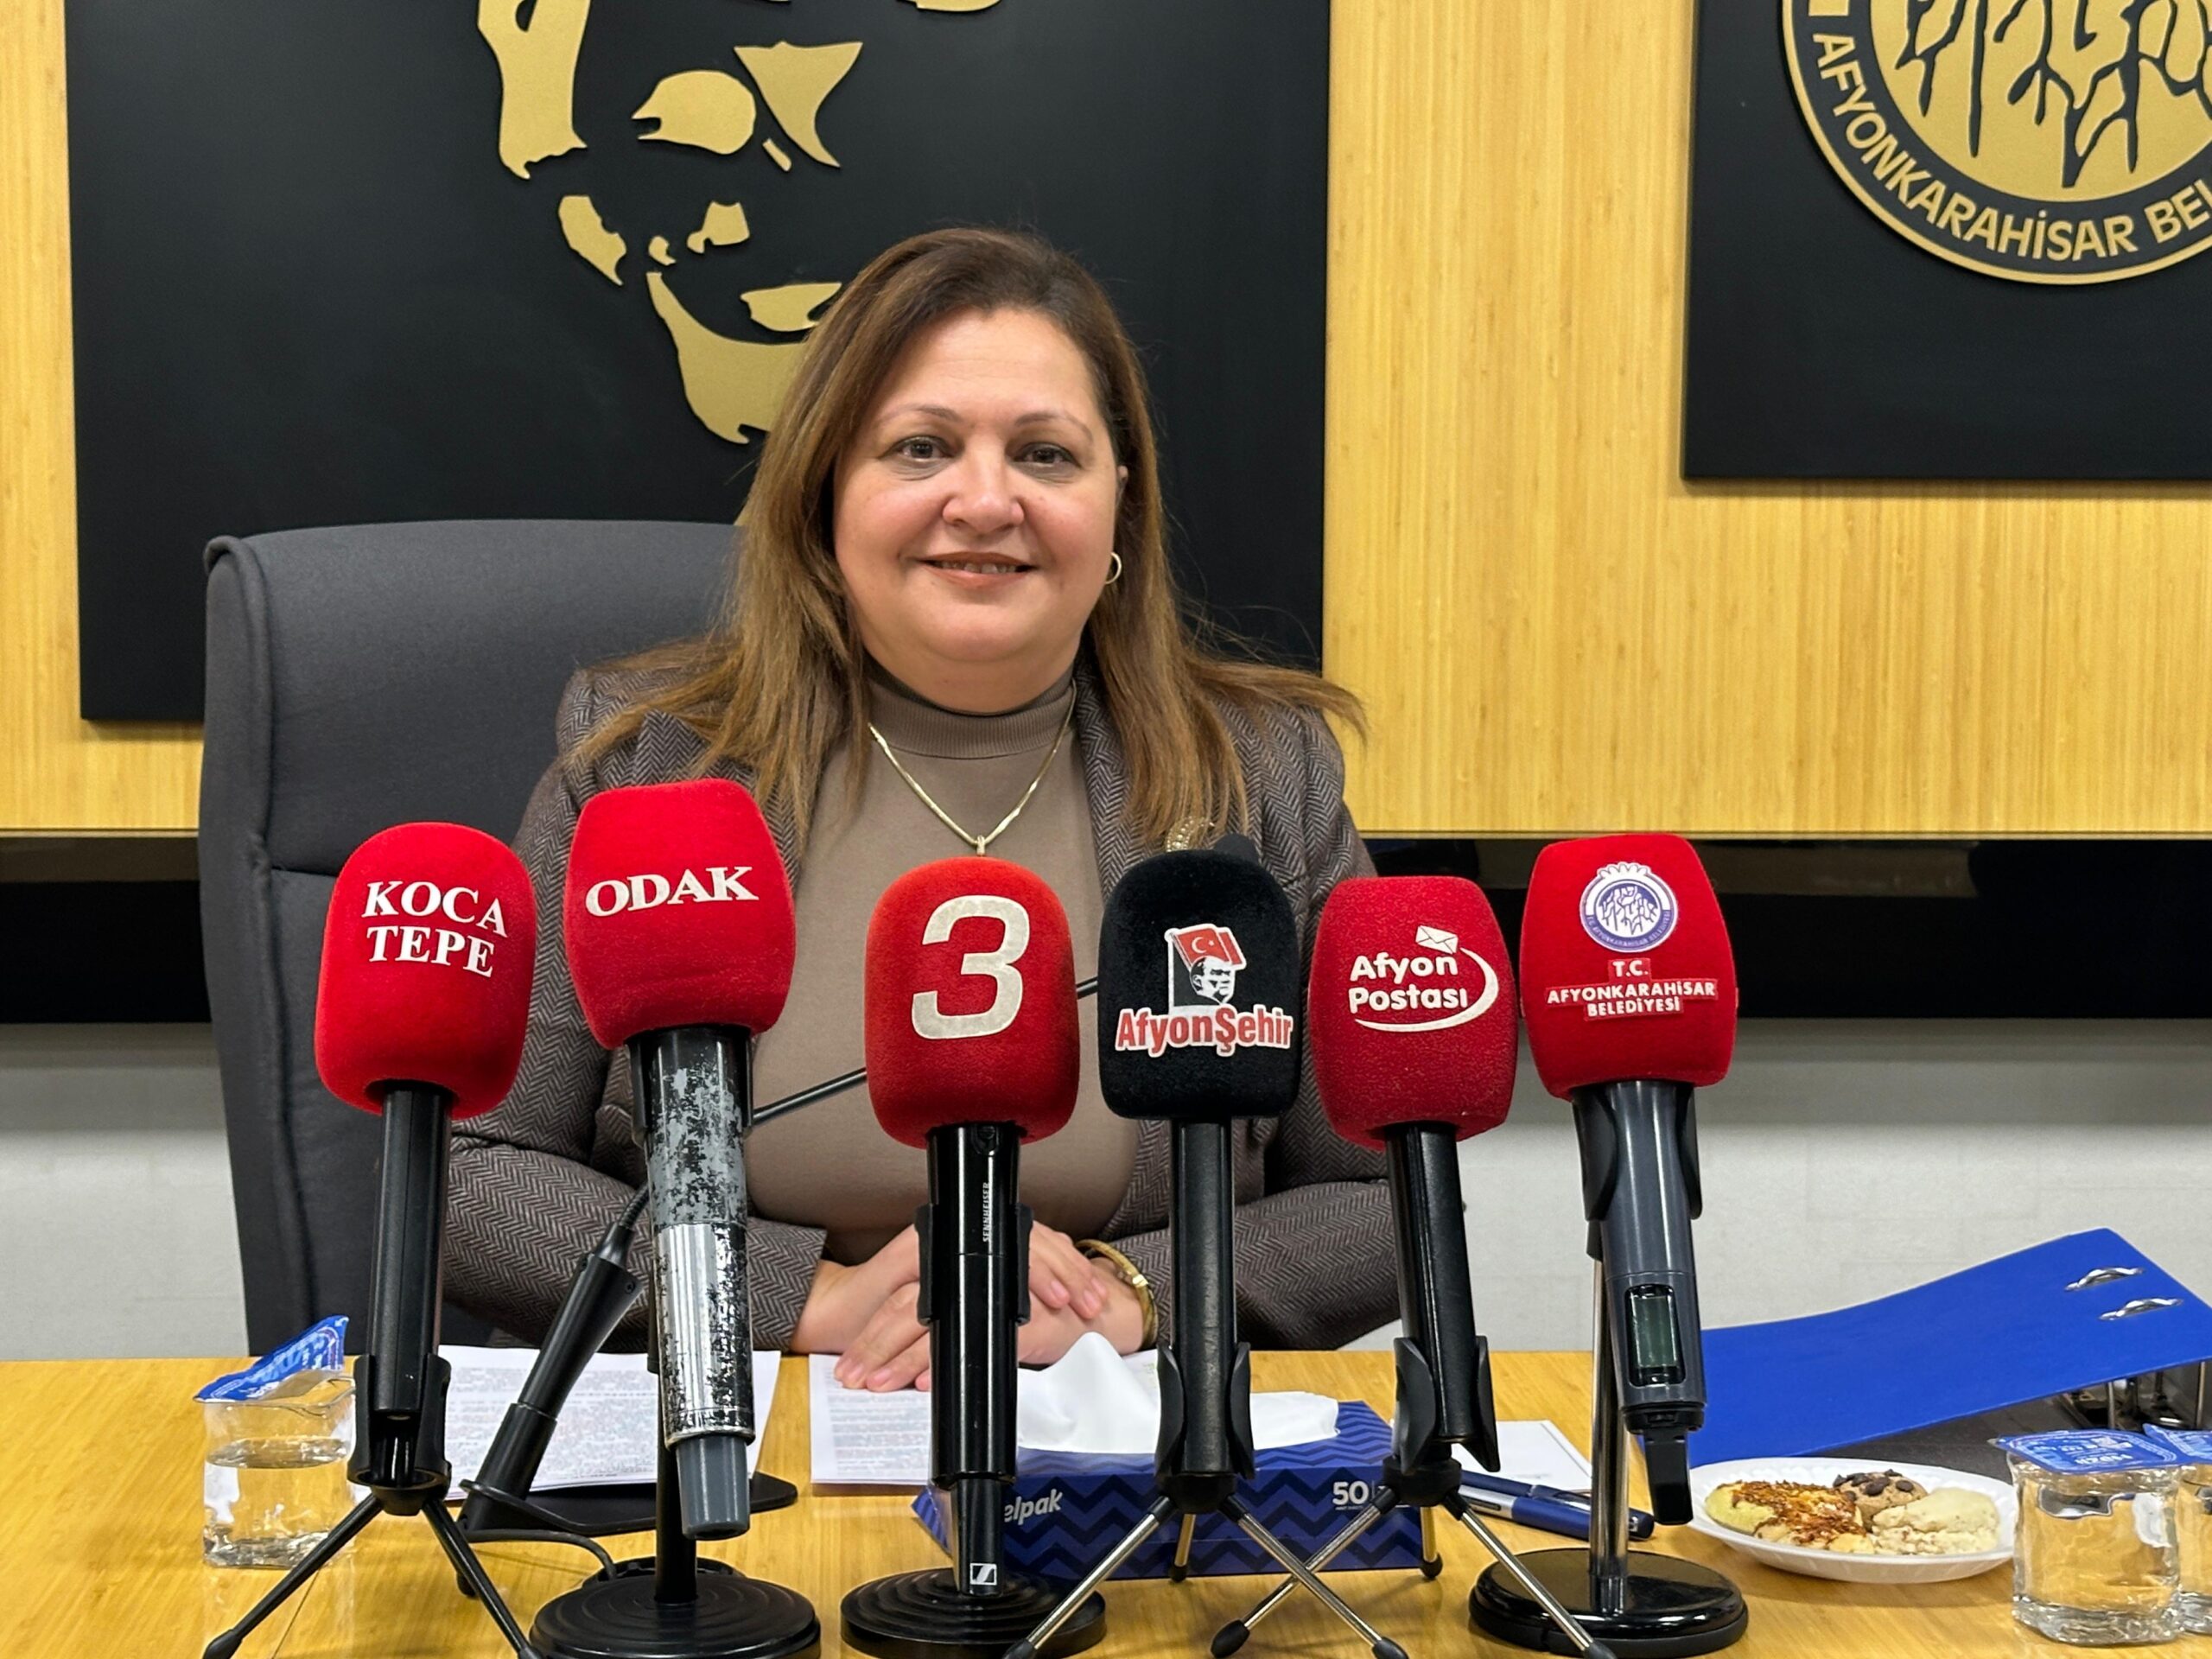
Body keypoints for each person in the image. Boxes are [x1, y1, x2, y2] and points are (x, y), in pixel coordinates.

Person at [444, 227, 1395, 1388]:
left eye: (1046, 455)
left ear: (1121, 509)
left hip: (1116, 1437)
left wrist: (1132, 1297)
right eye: (921, 448)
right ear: (825, 497)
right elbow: (472, 1173)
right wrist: (794, 1297)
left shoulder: (1259, 775)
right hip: (752, 1430)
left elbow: (1384, 1193)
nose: (985, 501)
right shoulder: (649, 765)